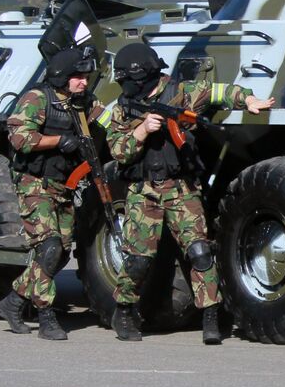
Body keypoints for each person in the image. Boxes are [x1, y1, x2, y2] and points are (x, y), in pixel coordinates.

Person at [105, 42, 273, 344]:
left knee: (199, 252)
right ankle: (125, 309)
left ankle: (210, 315)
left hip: (181, 187)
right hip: (144, 190)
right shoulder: (123, 108)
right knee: (138, 259)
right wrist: (143, 130)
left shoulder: (181, 93)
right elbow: (118, 152)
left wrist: (247, 100)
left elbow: (219, 92)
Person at [0, 46, 107, 340]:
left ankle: (14, 301)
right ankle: (46, 315)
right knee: (49, 247)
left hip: (64, 185)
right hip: (35, 182)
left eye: (85, 76)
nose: (84, 82)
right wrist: (58, 141)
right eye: (78, 76)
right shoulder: (37, 99)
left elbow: (109, 123)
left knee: (60, 253)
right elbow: (19, 137)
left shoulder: (84, 104)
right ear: (61, 77)